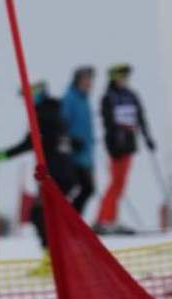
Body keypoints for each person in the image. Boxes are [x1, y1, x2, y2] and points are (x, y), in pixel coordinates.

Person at [0, 81, 77, 276]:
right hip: (64, 174)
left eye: (26, 97)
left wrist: (0, 156)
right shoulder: (54, 111)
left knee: (39, 215)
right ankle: (57, 259)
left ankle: (54, 261)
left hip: (54, 176)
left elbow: (28, 144)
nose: (24, 102)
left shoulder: (43, 114)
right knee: (49, 217)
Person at [95, 64, 156, 234]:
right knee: (116, 182)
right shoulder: (108, 97)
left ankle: (110, 218)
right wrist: (114, 141)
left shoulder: (131, 95)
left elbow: (140, 117)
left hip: (129, 143)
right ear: (114, 78)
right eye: (121, 77)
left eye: (126, 77)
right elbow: (108, 123)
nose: (125, 80)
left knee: (120, 183)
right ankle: (104, 219)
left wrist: (147, 137)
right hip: (116, 145)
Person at [61, 66, 96, 216]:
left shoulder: (85, 100)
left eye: (90, 80)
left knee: (88, 188)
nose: (89, 83)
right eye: (85, 79)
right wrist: (69, 141)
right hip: (72, 154)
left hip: (85, 154)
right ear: (77, 81)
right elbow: (62, 123)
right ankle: (66, 219)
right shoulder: (70, 98)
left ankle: (73, 220)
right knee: (73, 187)